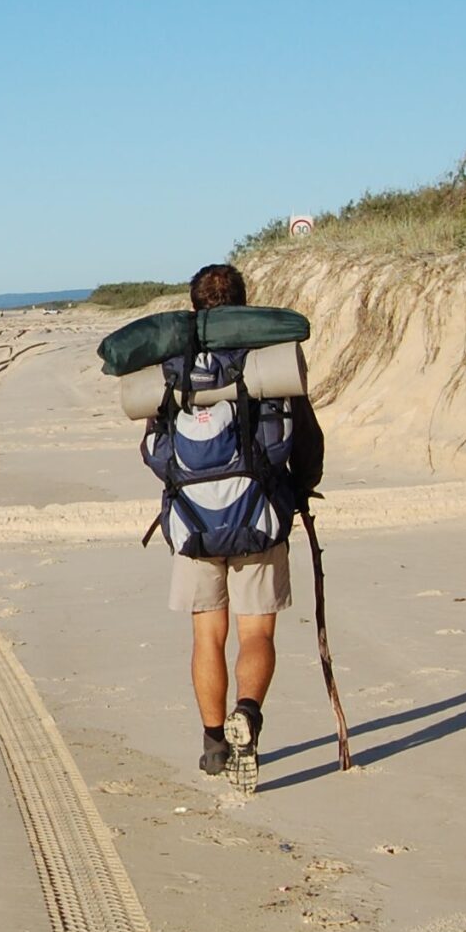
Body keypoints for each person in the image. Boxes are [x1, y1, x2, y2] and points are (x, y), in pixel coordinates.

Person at [146, 261, 320, 793]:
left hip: (194, 522)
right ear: (245, 305)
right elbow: (306, 440)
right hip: (259, 514)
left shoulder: (173, 366)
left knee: (207, 636)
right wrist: (301, 492)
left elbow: (155, 448)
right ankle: (247, 712)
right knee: (256, 631)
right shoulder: (267, 360)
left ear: (195, 307)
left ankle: (214, 742)